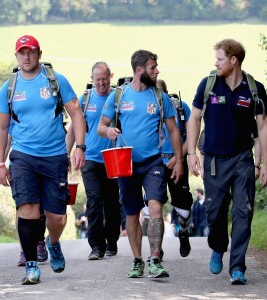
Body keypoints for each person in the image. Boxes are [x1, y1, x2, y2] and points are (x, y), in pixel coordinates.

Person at [0, 35, 86, 285]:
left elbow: (76, 112)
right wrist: (0, 164)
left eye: (31, 52)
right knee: (28, 211)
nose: (26, 57)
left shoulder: (55, 80)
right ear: (16, 56)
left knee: (57, 216)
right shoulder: (9, 87)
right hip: (23, 156)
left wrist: (80, 147)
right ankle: (32, 265)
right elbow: (1, 128)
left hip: (55, 156)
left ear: (39, 53)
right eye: (22, 52)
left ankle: (53, 242)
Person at [187, 39, 267, 285]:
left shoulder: (254, 89)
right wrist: (192, 152)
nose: (216, 63)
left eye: (220, 58)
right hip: (213, 160)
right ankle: (218, 246)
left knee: (243, 211)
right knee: (214, 212)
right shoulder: (208, 85)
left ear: (234, 60)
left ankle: (237, 267)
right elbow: (195, 118)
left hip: (243, 158)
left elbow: (263, 127)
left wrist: (264, 163)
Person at [97, 50, 183, 278]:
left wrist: (179, 159)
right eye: (153, 67)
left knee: (155, 207)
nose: (157, 71)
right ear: (139, 70)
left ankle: (155, 258)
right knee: (133, 213)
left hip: (153, 162)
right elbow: (101, 126)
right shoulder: (118, 96)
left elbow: (173, 130)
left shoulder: (159, 97)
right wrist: (110, 130)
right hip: (126, 164)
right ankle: (137, 260)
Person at [67, 62, 120, 260]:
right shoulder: (85, 99)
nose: (101, 83)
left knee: (112, 202)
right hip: (90, 157)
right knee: (95, 200)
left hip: (113, 158)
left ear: (110, 77)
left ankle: (112, 240)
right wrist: (67, 153)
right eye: (97, 80)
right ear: (92, 79)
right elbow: (74, 128)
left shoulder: (118, 98)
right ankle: (96, 246)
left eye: (104, 79)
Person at [0, 127, 48, 267]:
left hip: (45, 163)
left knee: (41, 208)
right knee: (22, 208)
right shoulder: (14, 109)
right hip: (19, 166)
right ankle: (25, 249)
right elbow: (7, 139)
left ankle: (40, 240)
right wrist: (0, 166)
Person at [157, 79, 193, 257]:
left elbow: (191, 134)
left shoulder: (180, 107)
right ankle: (157, 247)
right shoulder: (146, 108)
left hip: (177, 161)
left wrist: (178, 157)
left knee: (183, 204)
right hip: (154, 163)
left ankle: (183, 230)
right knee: (154, 204)